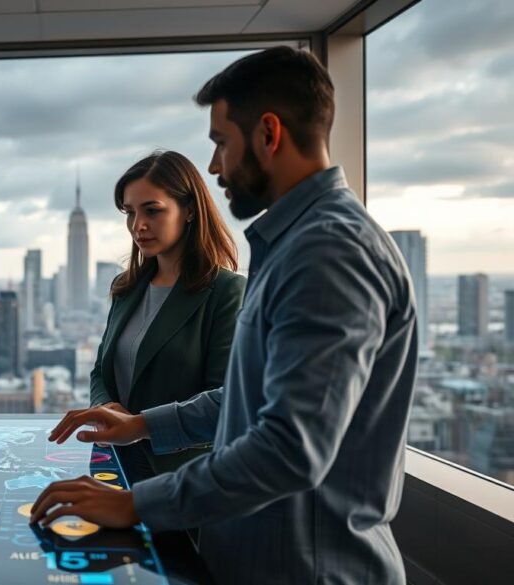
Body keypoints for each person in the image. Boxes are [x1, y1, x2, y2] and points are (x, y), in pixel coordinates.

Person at [31, 46, 418, 584]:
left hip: (306, 569)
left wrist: (134, 504)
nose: (213, 167)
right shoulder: (293, 245)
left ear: (268, 133)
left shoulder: (329, 252)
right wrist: (141, 425)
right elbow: (244, 398)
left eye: (220, 143)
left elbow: (289, 449)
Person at [90, 151, 244, 481]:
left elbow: (228, 402)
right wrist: (107, 407)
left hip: (186, 482)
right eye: (129, 212)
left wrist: (140, 426)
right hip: (115, 469)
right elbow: (101, 371)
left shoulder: (226, 292)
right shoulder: (126, 287)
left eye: (152, 211)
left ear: (189, 210)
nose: (137, 225)